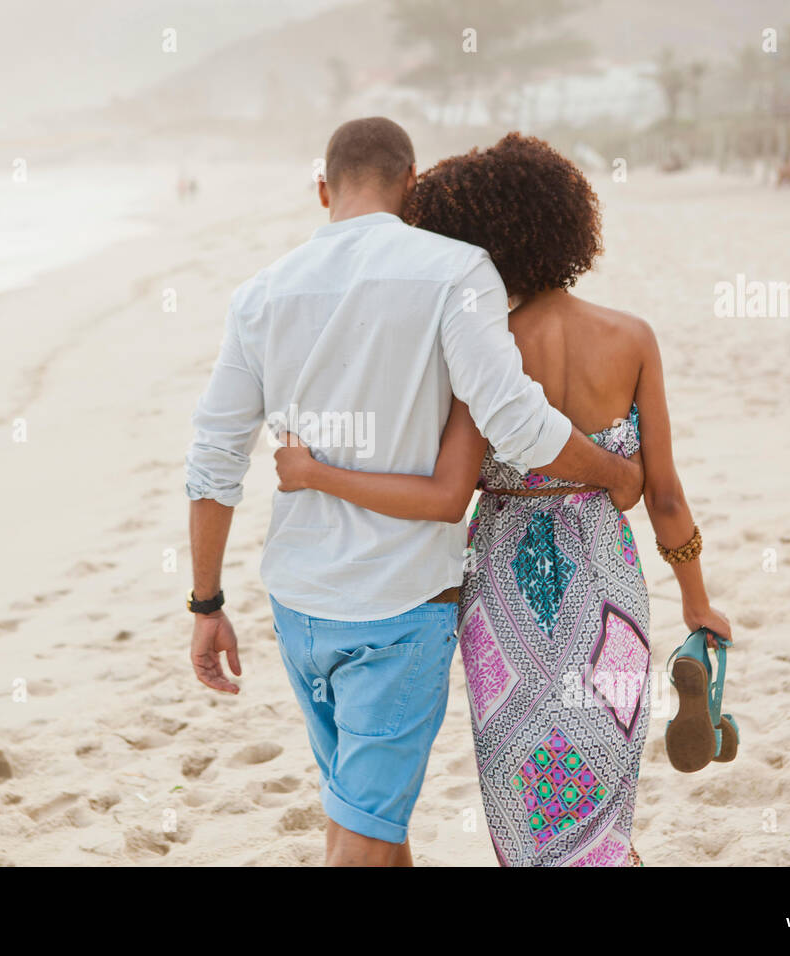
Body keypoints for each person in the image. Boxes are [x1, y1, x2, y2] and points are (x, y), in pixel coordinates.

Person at [184, 119, 644, 867]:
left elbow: (213, 459)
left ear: (324, 188)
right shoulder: (458, 272)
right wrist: (616, 472)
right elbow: (515, 420)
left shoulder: (259, 297)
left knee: (367, 821)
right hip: (398, 609)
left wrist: (205, 603)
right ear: (410, 183)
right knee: (361, 838)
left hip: (297, 605)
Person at [273, 133, 732, 866]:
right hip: (605, 584)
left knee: (527, 796)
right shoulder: (632, 338)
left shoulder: (481, 350)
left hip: (504, 594)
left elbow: (446, 487)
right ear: (566, 226)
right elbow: (666, 495)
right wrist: (697, 601)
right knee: (603, 796)